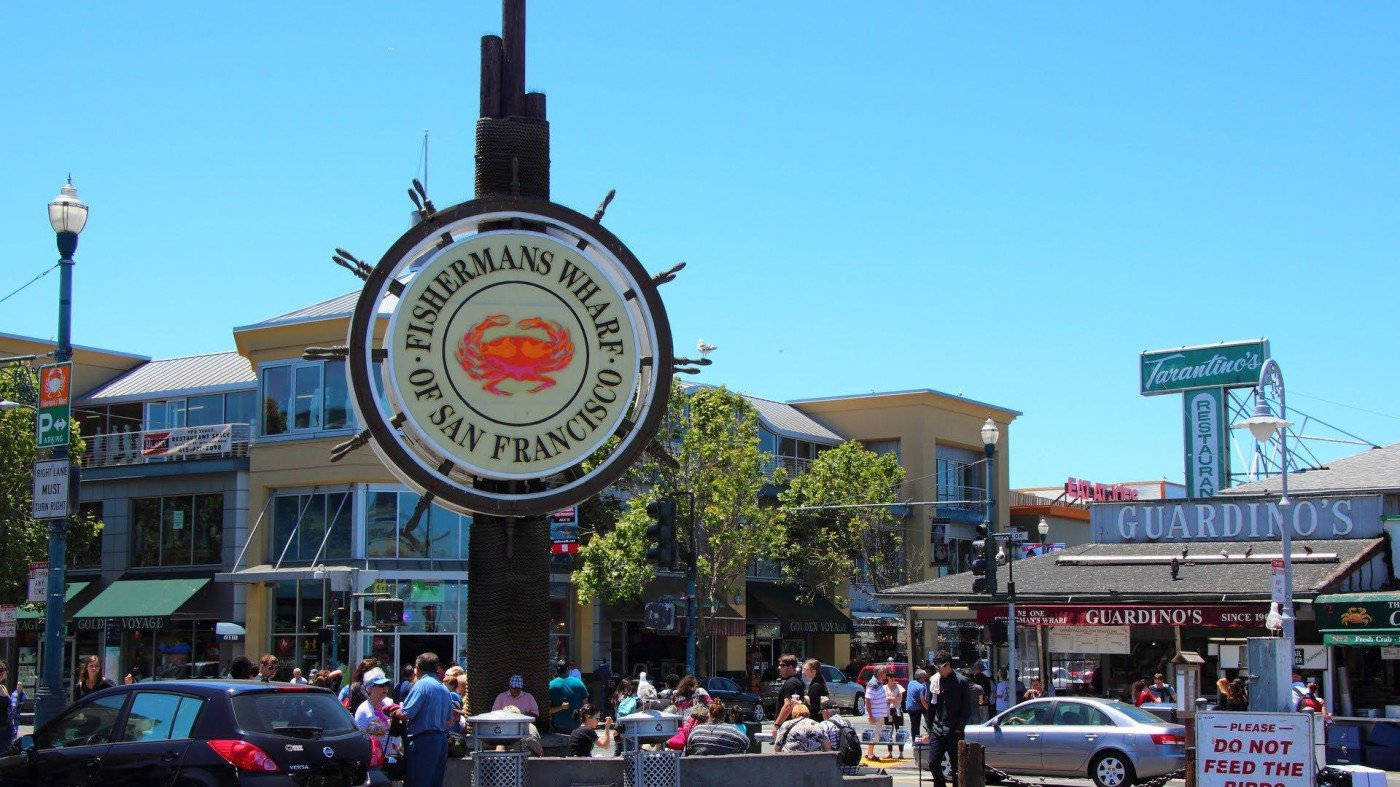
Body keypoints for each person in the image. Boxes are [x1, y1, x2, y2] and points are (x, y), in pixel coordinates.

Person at [398, 652, 455, 787]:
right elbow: (449, 720)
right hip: (441, 741)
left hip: (423, 741)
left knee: (418, 781)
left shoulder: (421, 685)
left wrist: (392, 711)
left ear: (418, 668)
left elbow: (407, 713)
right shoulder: (444, 689)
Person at [925, 652, 973, 787]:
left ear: (948, 665)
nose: (938, 670)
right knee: (933, 763)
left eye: (940, 667)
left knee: (957, 767)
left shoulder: (961, 681)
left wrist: (958, 728)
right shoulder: (935, 680)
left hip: (954, 730)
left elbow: (966, 709)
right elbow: (931, 707)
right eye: (936, 668)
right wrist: (930, 728)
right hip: (937, 729)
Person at [354, 675, 395, 767]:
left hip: (391, 757)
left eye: (386, 684)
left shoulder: (389, 703)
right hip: (373, 759)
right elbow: (360, 737)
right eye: (381, 685)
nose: (385, 688)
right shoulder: (363, 710)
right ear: (370, 688)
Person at [685, 703, 749, 755]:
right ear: (724, 716)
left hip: (699, 769)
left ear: (709, 715)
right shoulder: (732, 730)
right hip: (726, 769)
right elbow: (746, 744)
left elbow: (689, 747)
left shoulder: (696, 730)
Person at [548, 662, 589, 733]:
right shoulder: (578, 682)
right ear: (568, 669)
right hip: (576, 725)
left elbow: (548, 710)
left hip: (558, 726)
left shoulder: (551, 685)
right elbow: (585, 704)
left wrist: (561, 707)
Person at [818, 696, 858, 764]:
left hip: (835, 765)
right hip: (850, 763)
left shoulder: (825, 724)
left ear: (825, 712)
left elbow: (825, 748)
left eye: (822, 713)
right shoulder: (847, 723)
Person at [772, 654, 806, 726]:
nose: (779, 667)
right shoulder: (796, 680)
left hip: (788, 726)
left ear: (790, 667)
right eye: (779, 665)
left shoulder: (791, 683)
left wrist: (777, 725)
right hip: (794, 724)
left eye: (782, 665)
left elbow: (788, 705)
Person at [864, 666, 889, 760]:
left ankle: (870, 753)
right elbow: (867, 699)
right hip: (875, 714)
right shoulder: (873, 684)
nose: (885, 674)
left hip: (879, 713)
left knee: (876, 733)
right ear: (879, 674)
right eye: (884, 672)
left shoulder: (879, 683)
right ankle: (870, 754)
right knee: (874, 734)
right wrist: (870, 715)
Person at [885, 671, 907, 758]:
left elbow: (900, 699)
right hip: (887, 712)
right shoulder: (884, 688)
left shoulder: (899, 687)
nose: (893, 679)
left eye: (894, 677)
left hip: (897, 711)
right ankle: (890, 752)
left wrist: (889, 699)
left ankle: (901, 753)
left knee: (899, 731)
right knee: (888, 731)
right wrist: (894, 698)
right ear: (888, 678)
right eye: (891, 677)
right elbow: (883, 699)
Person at [906, 669, 931, 742]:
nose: (925, 678)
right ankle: (916, 742)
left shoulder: (910, 683)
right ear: (920, 677)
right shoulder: (921, 687)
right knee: (916, 726)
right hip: (916, 708)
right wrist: (928, 709)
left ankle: (914, 741)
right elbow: (923, 701)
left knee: (913, 725)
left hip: (909, 707)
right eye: (924, 677)